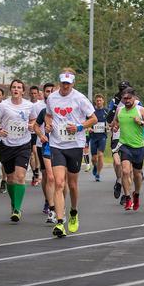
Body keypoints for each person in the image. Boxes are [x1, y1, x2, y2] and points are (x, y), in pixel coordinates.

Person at [44, 69, 97, 237]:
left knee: (72, 185)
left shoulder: (79, 98)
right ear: (59, 82)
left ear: (73, 83)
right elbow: (48, 115)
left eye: (68, 83)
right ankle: (60, 222)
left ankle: (73, 211)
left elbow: (93, 119)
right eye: (63, 83)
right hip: (57, 144)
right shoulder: (52, 97)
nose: (65, 86)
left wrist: (79, 127)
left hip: (75, 145)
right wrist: (48, 124)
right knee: (59, 183)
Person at [0, 79, 35, 222]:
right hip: (7, 145)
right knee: (10, 178)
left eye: (19, 87)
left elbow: (34, 120)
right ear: (11, 90)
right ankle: (13, 202)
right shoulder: (4, 105)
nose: (16, 89)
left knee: (20, 176)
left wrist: (31, 125)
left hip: (23, 144)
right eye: (14, 87)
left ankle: (17, 208)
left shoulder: (29, 105)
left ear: (23, 91)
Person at [113, 87, 144, 211]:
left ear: (134, 98)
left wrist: (141, 122)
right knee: (125, 171)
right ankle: (127, 197)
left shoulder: (140, 110)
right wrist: (115, 127)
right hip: (125, 145)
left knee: (137, 175)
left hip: (139, 147)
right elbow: (115, 122)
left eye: (129, 98)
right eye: (124, 98)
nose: (126, 101)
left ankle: (136, 194)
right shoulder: (119, 110)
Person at [32, 83, 56, 221]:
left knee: (58, 179)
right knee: (47, 175)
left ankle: (58, 203)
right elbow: (35, 125)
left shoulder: (62, 108)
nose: (50, 93)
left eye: (53, 91)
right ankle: (49, 201)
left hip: (61, 146)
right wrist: (41, 135)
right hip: (44, 145)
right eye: (48, 91)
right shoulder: (42, 109)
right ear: (44, 93)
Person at [89, 94, 108, 182]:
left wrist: (108, 127)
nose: (99, 102)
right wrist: (89, 128)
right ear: (95, 102)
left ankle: (98, 174)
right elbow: (87, 122)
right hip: (93, 137)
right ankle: (95, 166)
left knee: (100, 155)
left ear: (103, 101)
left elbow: (110, 123)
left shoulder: (106, 111)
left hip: (102, 136)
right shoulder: (92, 111)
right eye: (97, 101)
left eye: (100, 100)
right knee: (94, 158)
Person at [28, 85, 42, 186]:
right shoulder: (26, 105)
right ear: (29, 94)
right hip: (28, 133)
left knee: (35, 151)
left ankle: (37, 169)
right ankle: (34, 172)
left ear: (38, 94)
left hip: (38, 132)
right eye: (31, 93)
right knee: (31, 155)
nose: (33, 95)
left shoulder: (41, 105)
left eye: (35, 93)